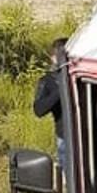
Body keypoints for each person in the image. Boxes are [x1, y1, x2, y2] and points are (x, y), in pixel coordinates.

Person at [33, 38, 67, 169]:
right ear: (53, 58)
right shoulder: (48, 81)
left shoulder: (82, 75)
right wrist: (61, 89)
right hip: (64, 137)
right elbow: (39, 109)